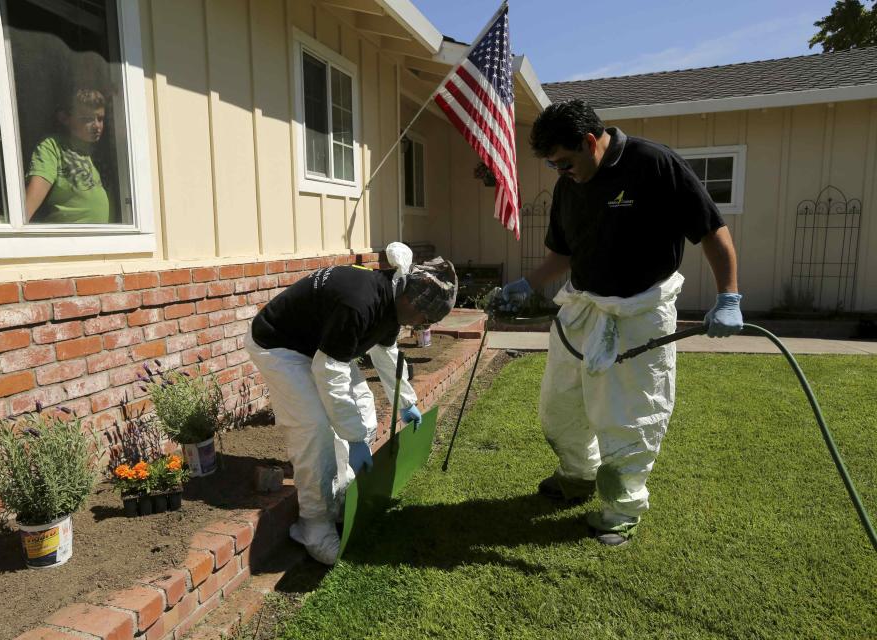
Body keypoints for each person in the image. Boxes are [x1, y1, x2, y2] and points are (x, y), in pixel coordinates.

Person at [502, 100, 743, 546]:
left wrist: (728, 296)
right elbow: (563, 252)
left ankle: (621, 507)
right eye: (553, 164)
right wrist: (526, 284)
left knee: (631, 416)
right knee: (560, 406)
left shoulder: (654, 164)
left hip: (640, 312)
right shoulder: (569, 185)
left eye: (565, 161)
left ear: (591, 142)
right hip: (582, 307)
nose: (560, 171)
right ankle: (577, 475)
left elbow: (712, 230)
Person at [247, 243, 458, 564]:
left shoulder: (390, 298)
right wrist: (355, 438)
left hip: (318, 343)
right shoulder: (360, 304)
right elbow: (328, 371)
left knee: (361, 405)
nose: (420, 325)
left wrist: (405, 402)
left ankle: (341, 491)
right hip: (280, 344)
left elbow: (385, 352)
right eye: (422, 318)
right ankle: (313, 525)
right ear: (409, 300)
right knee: (314, 428)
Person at [24, 88, 111, 224]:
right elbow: (33, 195)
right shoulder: (53, 146)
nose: (96, 126)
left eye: (100, 118)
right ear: (65, 118)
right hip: (68, 240)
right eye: (87, 119)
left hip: (98, 240)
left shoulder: (93, 155)